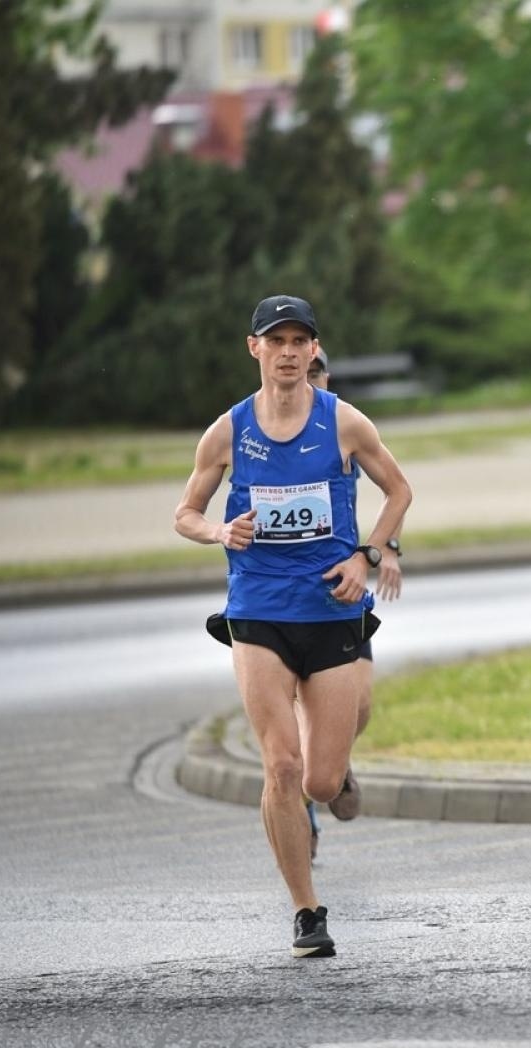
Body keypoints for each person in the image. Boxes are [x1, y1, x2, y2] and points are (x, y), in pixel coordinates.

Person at [174, 296, 412, 958]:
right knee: (280, 764)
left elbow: (399, 491)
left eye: (298, 340)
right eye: (274, 339)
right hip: (257, 612)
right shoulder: (228, 431)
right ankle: (307, 911)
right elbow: (185, 512)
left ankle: (331, 780)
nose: (287, 351)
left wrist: (367, 556)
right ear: (254, 348)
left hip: (331, 613)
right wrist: (219, 528)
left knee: (320, 781)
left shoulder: (344, 423)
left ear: (314, 350)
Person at [297, 352, 388, 860]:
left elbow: (393, 490)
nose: (307, 379)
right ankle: (303, 800)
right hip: (285, 603)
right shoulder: (261, 430)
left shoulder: (345, 425)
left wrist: (380, 552)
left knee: (362, 704)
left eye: (317, 371)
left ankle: (336, 757)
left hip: (343, 592)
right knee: (300, 718)